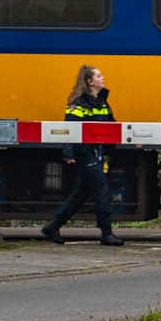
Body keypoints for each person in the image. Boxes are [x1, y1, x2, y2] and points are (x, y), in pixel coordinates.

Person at [39, 65, 123, 246]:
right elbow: (69, 129)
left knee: (80, 194)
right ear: (90, 81)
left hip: (96, 152)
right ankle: (106, 233)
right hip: (84, 153)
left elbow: (111, 126)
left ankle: (53, 226)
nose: (103, 78)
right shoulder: (78, 103)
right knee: (102, 190)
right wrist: (68, 152)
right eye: (99, 76)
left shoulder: (101, 101)